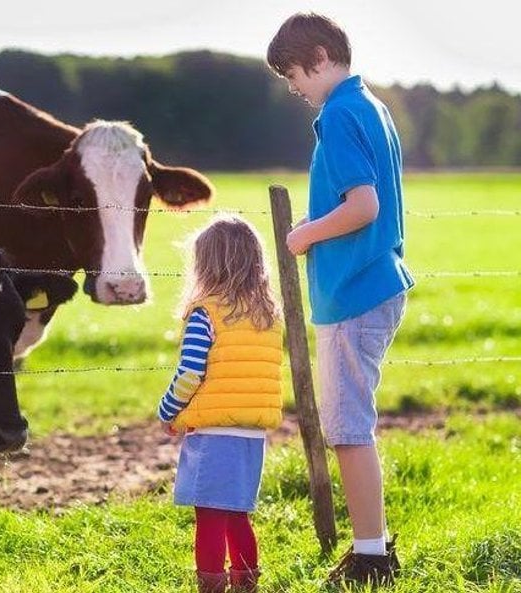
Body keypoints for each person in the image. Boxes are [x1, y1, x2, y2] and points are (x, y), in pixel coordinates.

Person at [266, 12, 415, 586]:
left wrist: (304, 234)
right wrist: (319, 222)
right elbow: (356, 201)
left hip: (355, 289)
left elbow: (364, 207)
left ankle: (372, 557)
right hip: (371, 280)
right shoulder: (370, 105)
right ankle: (371, 547)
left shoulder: (340, 112)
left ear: (321, 56)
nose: (294, 87)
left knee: (348, 429)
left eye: (294, 74)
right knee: (349, 425)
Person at [157, 216, 284, 593]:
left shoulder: (206, 313)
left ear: (204, 265)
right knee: (237, 515)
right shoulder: (267, 316)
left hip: (213, 434)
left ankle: (210, 586)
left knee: (209, 517)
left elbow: (190, 373)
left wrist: (168, 411)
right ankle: (246, 583)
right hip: (251, 434)